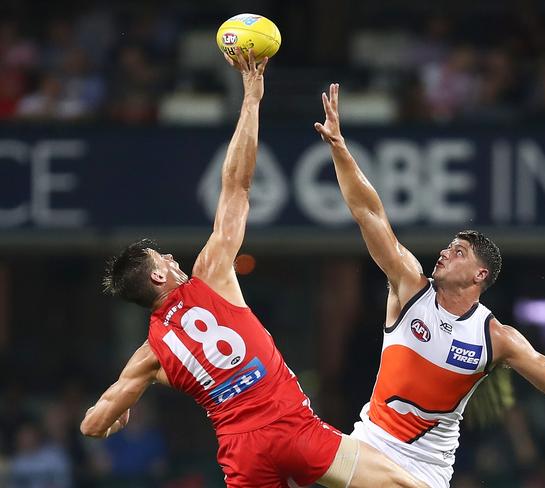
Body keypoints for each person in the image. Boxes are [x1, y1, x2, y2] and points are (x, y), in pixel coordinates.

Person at [80, 51, 427, 488]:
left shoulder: (149, 355)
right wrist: (251, 98)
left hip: (242, 451)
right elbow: (238, 185)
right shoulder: (210, 274)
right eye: (163, 260)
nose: (172, 259)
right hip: (291, 427)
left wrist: (116, 417)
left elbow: (91, 427)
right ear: (156, 277)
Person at [314, 82, 545, 488]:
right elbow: (369, 213)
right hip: (369, 446)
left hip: (426, 473)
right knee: (292, 444)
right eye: (447, 247)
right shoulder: (408, 288)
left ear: (479, 275)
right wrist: (339, 148)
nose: (443, 253)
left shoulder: (496, 338)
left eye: (457, 252)